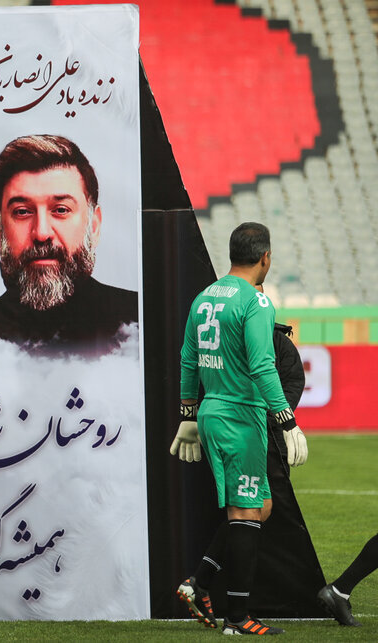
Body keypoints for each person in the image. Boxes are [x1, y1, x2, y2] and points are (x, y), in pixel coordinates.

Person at [170, 222, 309, 635]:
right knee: (245, 511)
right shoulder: (256, 302)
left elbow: (188, 358)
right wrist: (287, 419)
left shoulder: (204, 297)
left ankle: (199, 582)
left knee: (258, 507)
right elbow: (264, 365)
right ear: (265, 257)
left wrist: (188, 414)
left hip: (213, 411)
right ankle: (237, 618)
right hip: (241, 416)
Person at [0, 134, 137, 355]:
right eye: (22, 212)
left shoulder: (143, 319)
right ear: (0, 226)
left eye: (61, 210)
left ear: (94, 225)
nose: (42, 233)